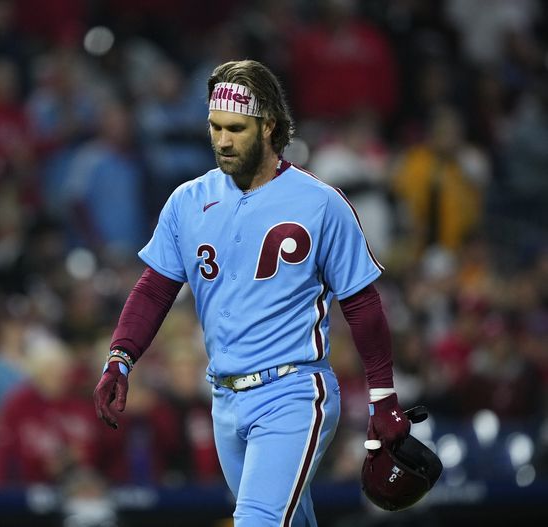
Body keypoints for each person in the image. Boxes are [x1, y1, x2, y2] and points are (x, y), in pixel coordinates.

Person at [93, 60, 411, 526]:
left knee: (257, 521)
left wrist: (382, 397)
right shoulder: (187, 199)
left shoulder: (321, 203)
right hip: (223, 396)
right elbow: (155, 288)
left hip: (294, 391)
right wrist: (120, 357)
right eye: (214, 126)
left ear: (270, 127)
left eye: (236, 128)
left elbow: (362, 305)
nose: (222, 140)